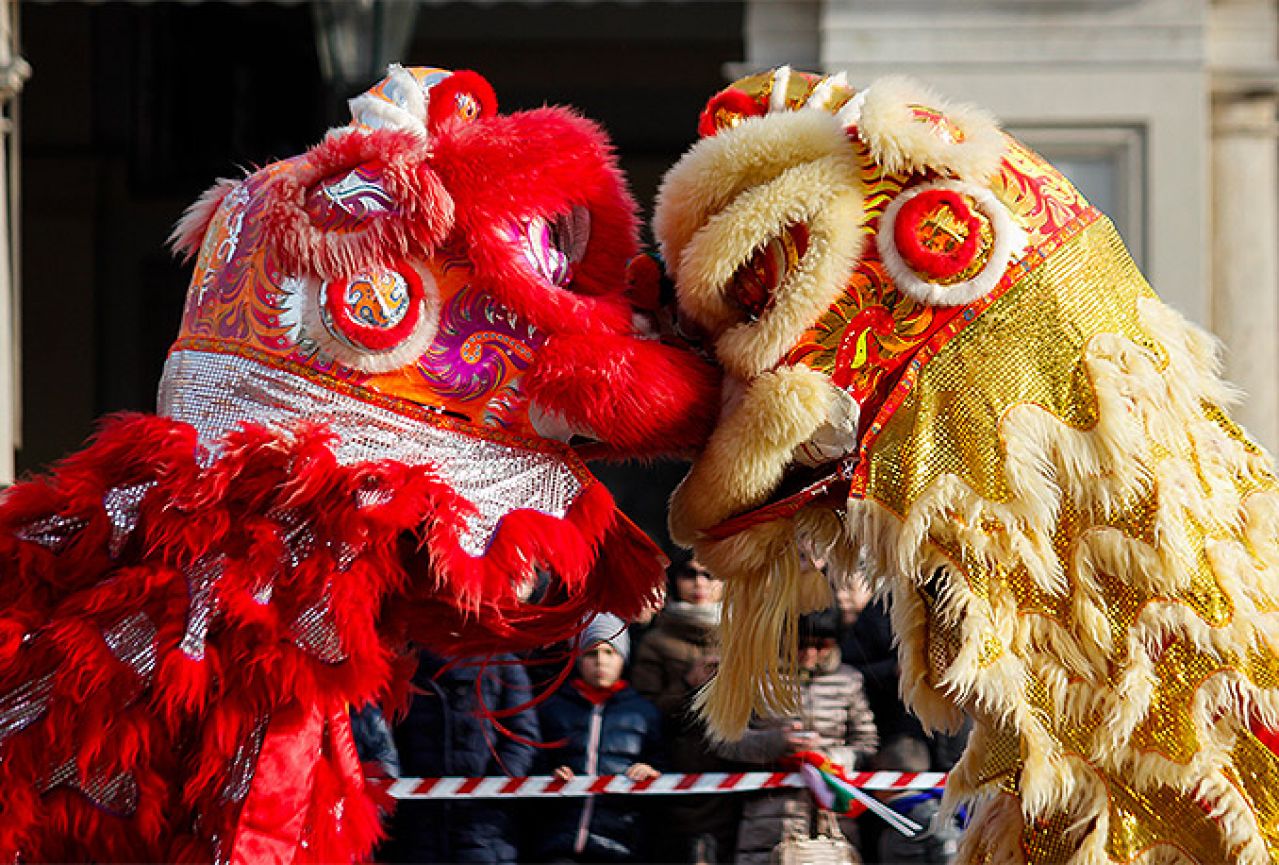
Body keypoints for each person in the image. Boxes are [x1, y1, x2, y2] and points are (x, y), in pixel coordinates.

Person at [716, 606, 878, 864]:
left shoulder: (849, 680)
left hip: (832, 817)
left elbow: (866, 744)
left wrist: (826, 760)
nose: (809, 654)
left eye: (821, 645)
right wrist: (775, 742)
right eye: (800, 644)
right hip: (769, 816)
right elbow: (722, 740)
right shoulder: (755, 678)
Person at [379, 650, 540, 864]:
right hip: (418, 828)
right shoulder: (404, 665)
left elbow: (521, 736)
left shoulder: (502, 664)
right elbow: (385, 740)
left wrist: (495, 788)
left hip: (484, 829)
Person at [632, 555, 739, 863]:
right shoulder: (657, 641)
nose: (700, 583)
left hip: (738, 765)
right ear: (676, 582)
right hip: (680, 769)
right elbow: (643, 711)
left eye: (710, 574)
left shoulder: (742, 636)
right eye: (690, 574)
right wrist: (688, 683)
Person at [533, 614, 664, 863]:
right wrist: (550, 774)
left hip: (621, 845)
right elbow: (533, 762)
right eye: (591, 653)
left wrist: (651, 772)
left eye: (609, 652)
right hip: (558, 844)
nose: (600, 661)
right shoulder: (551, 709)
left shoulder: (644, 714)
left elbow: (663, 764)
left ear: (623, 658)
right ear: (579, 659)